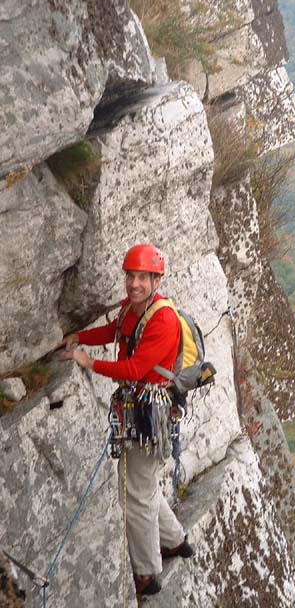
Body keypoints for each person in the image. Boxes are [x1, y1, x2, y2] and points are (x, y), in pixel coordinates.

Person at [60, 244, 193, 599]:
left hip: (153, 413)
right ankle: (176, 541)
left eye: (141, 277)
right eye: (130, 276)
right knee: (142, 484)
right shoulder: (131, 310)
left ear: (155, 279)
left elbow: (134, 369)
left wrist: (89, 363)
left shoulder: (162, 319)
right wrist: (79, 338)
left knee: (135, 492)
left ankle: (148, 574)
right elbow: (113, 332)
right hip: (139, 407)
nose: (133, 283)